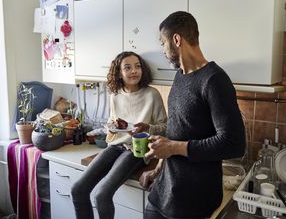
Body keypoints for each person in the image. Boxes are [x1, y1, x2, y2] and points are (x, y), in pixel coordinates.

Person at [140, 11, 246, 219]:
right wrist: (158, 169)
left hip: (192, 199)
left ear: (176, 39)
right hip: (164, 190)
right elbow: (178, 129)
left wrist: (173, 148)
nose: (162, 49)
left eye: (163, 43)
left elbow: (233, 143)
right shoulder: (180, 76)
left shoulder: (215, 80)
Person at [71, 51, 167, 219]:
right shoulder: (115, 95)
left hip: (136, 150)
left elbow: (165, 127)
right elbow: (111, 122)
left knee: (101, 195)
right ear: (119, 73)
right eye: (127, 68)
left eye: (137, 66)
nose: (134, 71)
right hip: (116, 146)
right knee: (77, 189)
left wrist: (148, 128)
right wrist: (112, 127)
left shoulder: (152, 94)